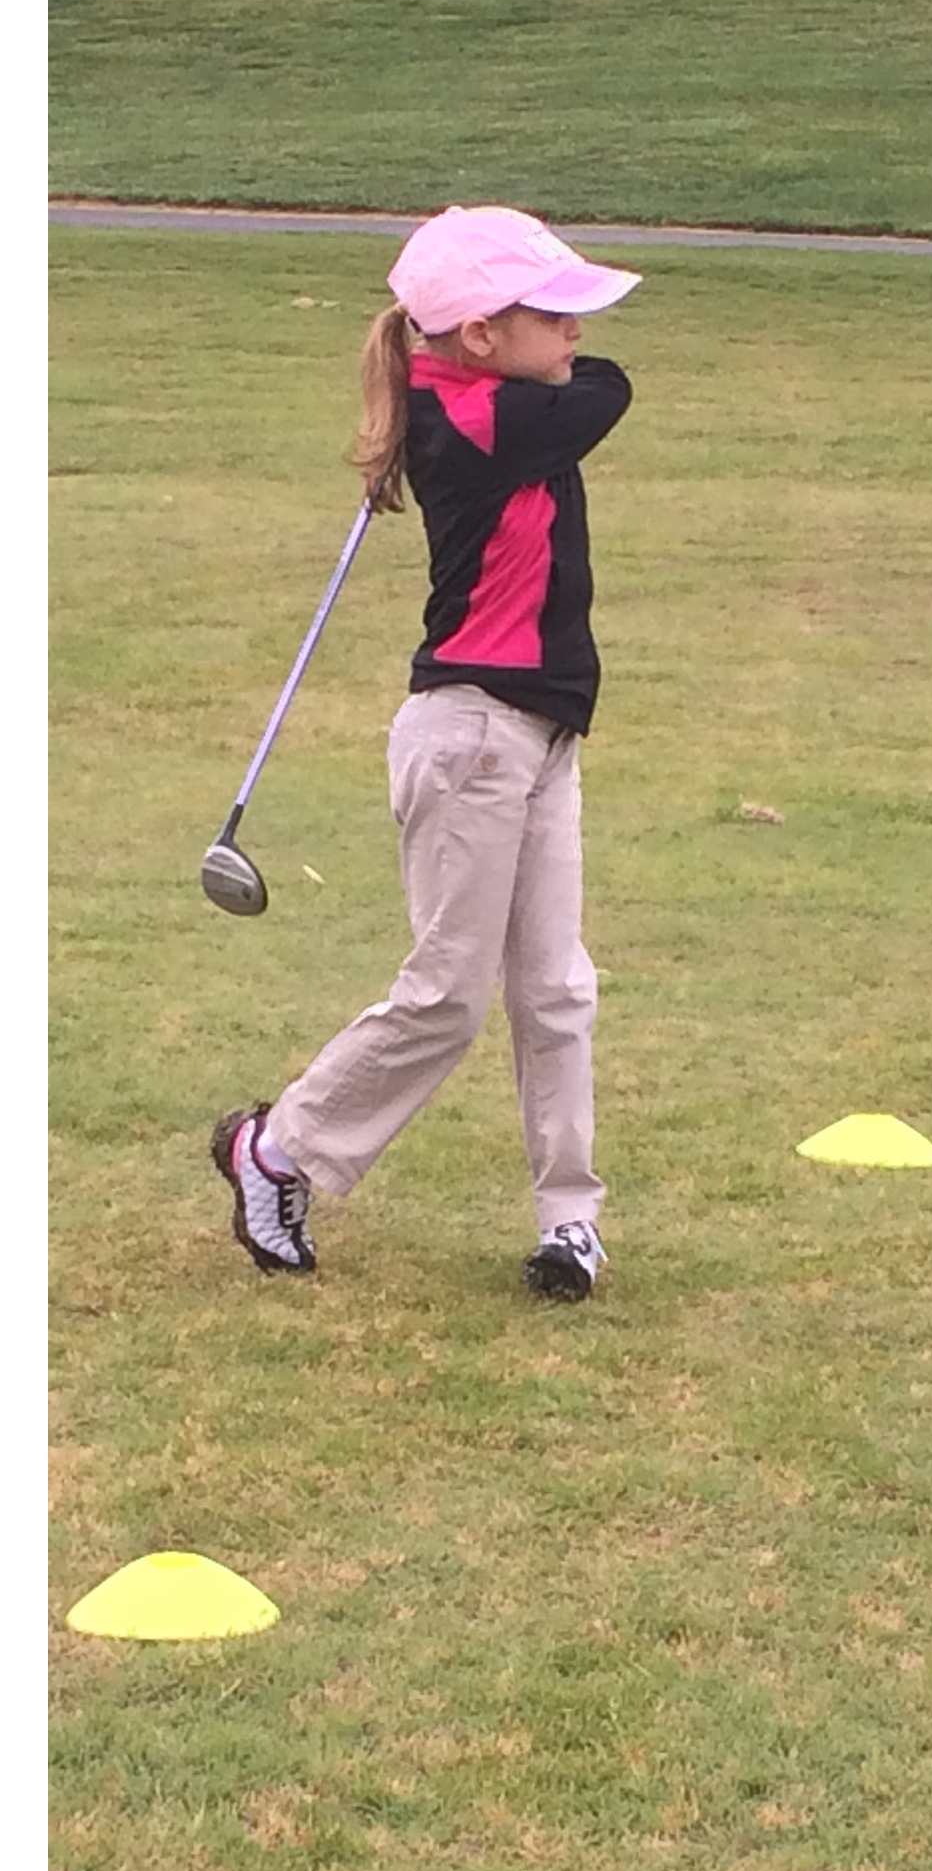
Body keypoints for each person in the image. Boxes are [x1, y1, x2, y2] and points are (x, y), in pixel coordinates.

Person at [212, 205, 640, 1301]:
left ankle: (570, 1221)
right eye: (554, 315)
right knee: (449, 994)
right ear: (482, 336)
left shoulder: (487, 401)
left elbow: (591, 380)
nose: (576, 335)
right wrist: (540, 378)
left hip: (535, 735)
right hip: (472, 739)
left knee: (554, 989)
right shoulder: (484, 421)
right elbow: (613, 391)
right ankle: (278, 1151)